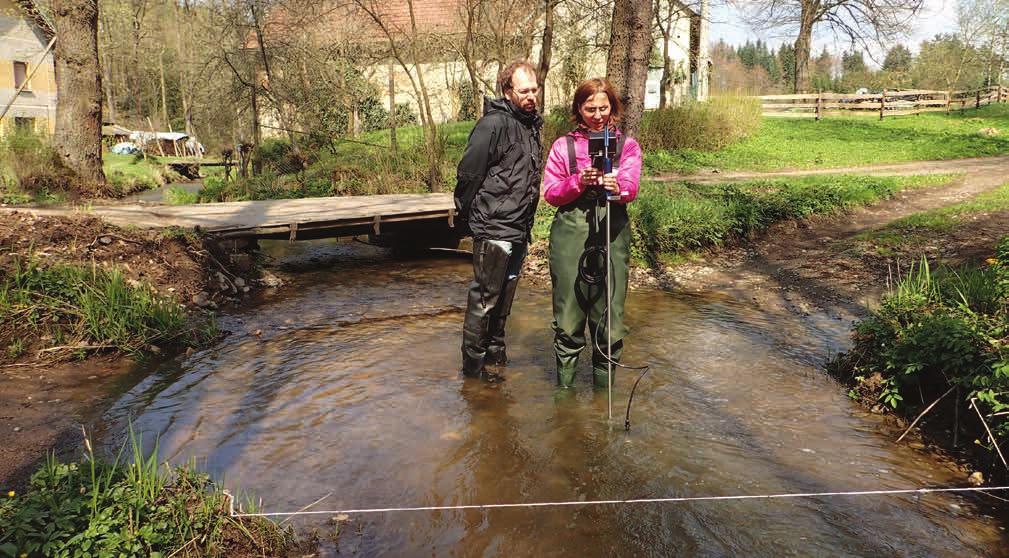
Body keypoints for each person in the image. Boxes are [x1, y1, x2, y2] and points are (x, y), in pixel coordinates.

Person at [541, 78, 642, 388]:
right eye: (590, 109)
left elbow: (632, 187)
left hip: (612, 227)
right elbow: (551, 193)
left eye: (603, 108)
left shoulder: (627, 145)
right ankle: (565, 396)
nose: (597, 115)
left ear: (612, 108)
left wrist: (618, 187)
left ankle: (602, 397)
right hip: (570, 229)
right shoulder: (563, 146)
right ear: (578, 109)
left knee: (608, 317)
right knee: (569, 314)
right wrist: (578, 182)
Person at [454, 60, 543, 380]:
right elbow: (469, 173)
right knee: (485, 298)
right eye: (524, 91)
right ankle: (473, 373)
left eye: (534, 89)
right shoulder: (493, 124)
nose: (531, 96)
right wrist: (468, 213)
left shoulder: (531, 124)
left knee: (505, 297)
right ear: (507, 92)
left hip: (519, 227)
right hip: (494, 225)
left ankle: (496, 359)